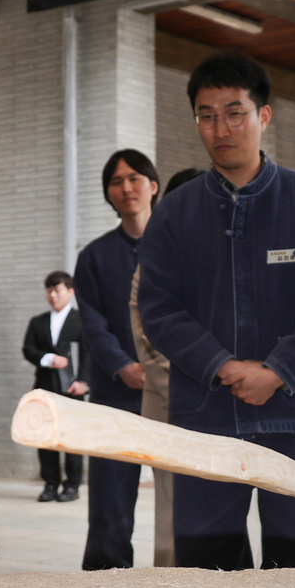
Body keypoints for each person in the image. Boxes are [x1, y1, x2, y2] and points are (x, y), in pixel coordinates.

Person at [139, 51, 295, 570]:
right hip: (206, 412)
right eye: (207, 115)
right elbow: (159, 308)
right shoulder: (173, 213)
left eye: (235, 112)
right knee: (204, 566)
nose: (221, 128)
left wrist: (278, 371)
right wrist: (221, 365)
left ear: (264, 115)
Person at [73, 150, 158, 570]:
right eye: (116, 181)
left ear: (153, 185)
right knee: (110, 506)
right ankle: (105, 581)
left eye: (135, 177)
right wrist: (122, 366)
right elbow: (92, 322)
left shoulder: (179, 246)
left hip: (176, 392)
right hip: (115, 394)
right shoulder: (94, 256)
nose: (126, 187)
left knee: (187, 500)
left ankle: (188, 579)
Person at [130, 167, 202, 567]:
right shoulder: (154, 262)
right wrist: (190, 389)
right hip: (169, 403)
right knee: (172, 512)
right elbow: (148, 339)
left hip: (222, 405)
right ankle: (172, 587)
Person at [23, 271, 89, 502]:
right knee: (45, 436)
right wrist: (47, 358)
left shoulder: (82, 320)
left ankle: (72, 485)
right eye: (49, 290)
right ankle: (50, 483)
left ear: (70, 292)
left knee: (71, 437)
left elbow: (89, 352)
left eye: (57, 290)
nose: (53, 295)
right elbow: (28, 349)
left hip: (73, 389)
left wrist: (84, 381)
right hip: (44, 387)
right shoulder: (38, 321)